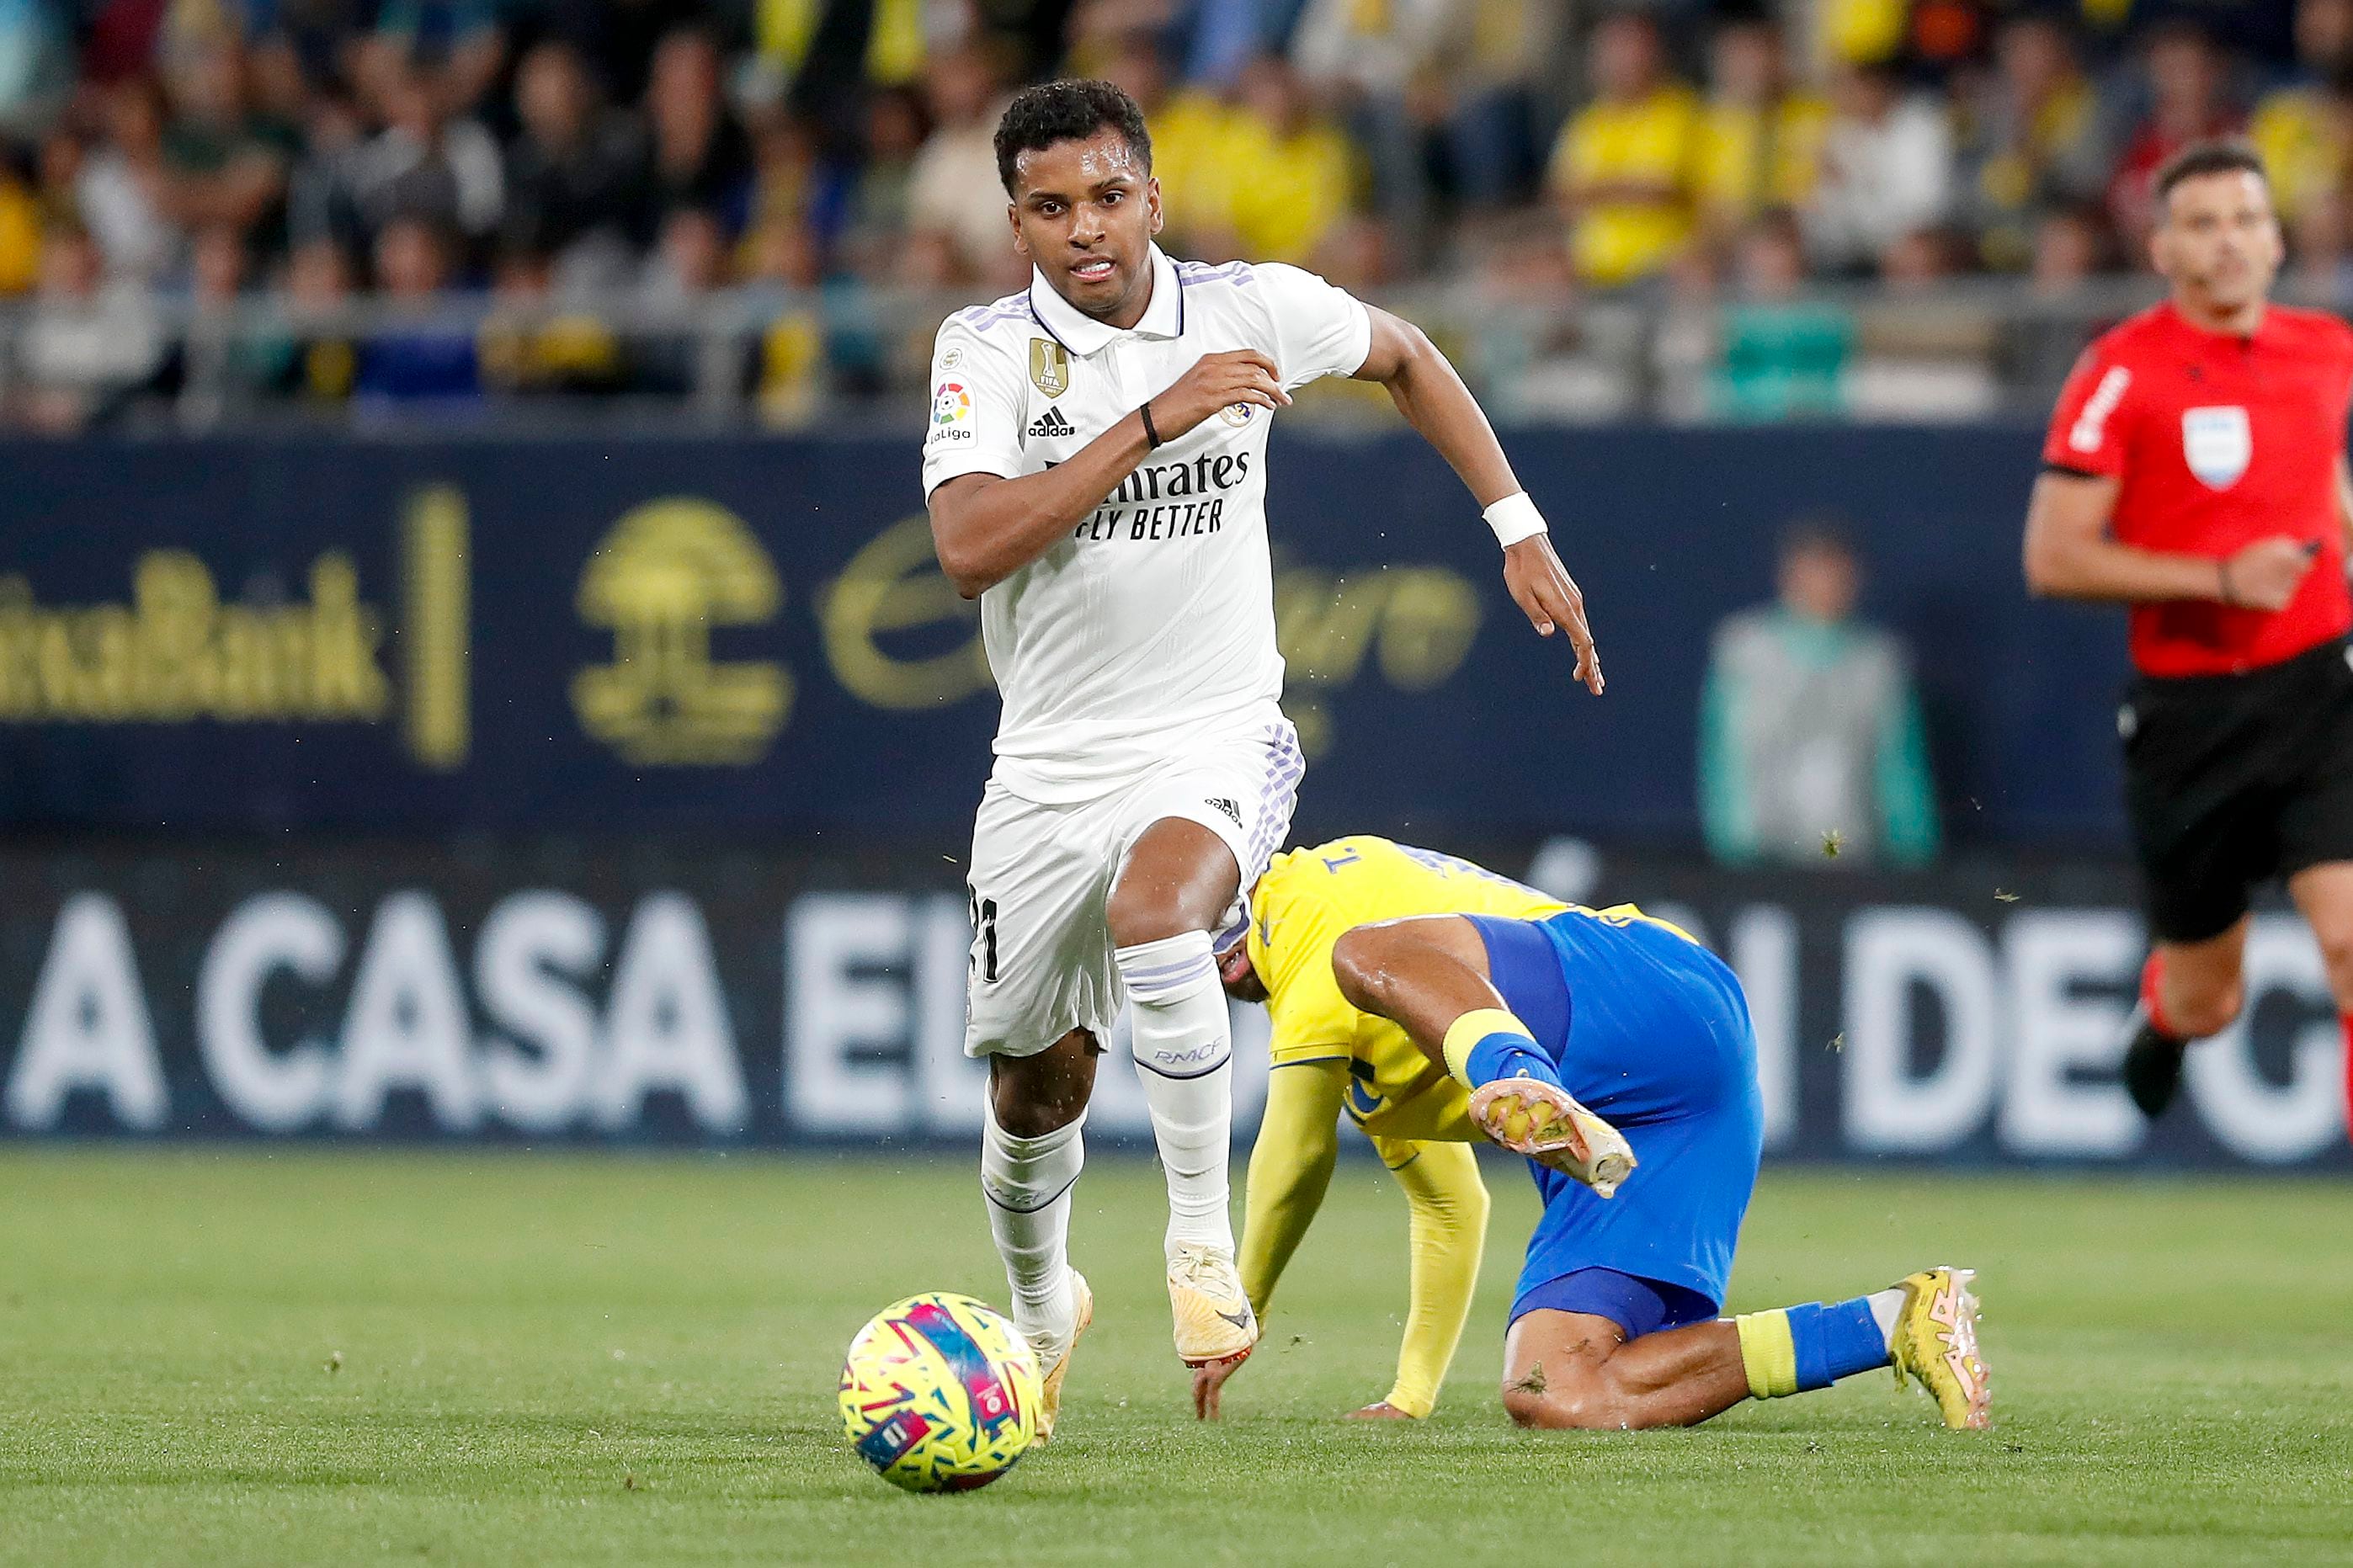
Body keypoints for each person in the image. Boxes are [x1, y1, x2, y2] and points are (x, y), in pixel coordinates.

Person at [920, 78, 1605, 1444]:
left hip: (1216, 727)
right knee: (1034, 1079)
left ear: (1153, 198)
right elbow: (967, 548)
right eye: (1052, 208)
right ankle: (1044, 1295)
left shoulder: (1249, 309)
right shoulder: (989, 352)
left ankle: (1197, 1252)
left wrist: (1516, 524)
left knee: (1160, 911)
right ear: (1018, 225)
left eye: (1109, 197)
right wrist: (1151, 421)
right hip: (1050, 761)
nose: (1086, 230)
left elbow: (1408, 353)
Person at [1192, 835, 1990, 1431]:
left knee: (1360, 953)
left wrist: (1233, 1310)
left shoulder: (1304, 909)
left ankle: (1517, 1070)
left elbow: (1293, 1157)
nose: (1206, 958)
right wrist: (1410, 1397)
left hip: (1646, 992)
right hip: (1656, 1121)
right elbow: (1448, 1209)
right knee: (1553, 1391)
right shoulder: (1364, 1057)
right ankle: (1896, 1320)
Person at [2025, 141, 2353, 1136]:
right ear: (2161, 247)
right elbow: (2052, 557)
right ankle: (2167, 1010)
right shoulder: (2118, 372)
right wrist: (2219, 578)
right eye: (2202, 224)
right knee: (2213, 996)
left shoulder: (2326, 348)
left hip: (2318, 694)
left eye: (2246, 219)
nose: (2228, 242)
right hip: (2189, 719)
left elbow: (2319, 488)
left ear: (2275, 237)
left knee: (2349, 945)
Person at [1700, 520, 1939, 867]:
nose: (1826, 585)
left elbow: (1899, 768)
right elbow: (1726, 759)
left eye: (1837, 573)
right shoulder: (1745, 652)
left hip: (1853, 860)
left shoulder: (1879, 662)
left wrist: (1915, 856)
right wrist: (1736, 853)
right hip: (1763, 860)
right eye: (1815, 571)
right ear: (1789, 575)